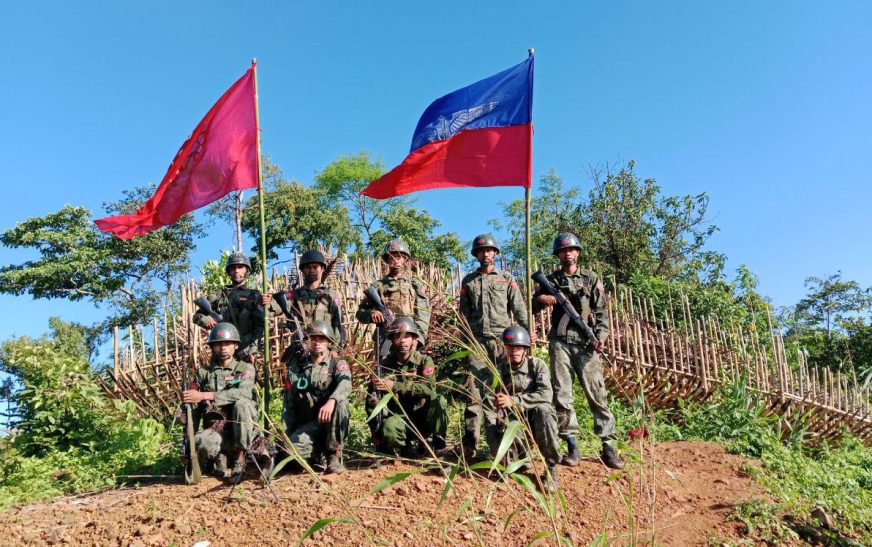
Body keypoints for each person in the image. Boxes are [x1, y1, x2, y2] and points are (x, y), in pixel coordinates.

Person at [533, 232, 623, 470]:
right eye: (563, 250)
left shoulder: (591, 279)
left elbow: (602, 313)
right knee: (562, 395)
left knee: (597, 394)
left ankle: (608, 447)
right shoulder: (551, 279)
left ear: (578, 252)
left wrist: (600, 337)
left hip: (585, 343)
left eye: (571, 249)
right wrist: (542, 299)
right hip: (560, 342)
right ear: (559, 255)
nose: (568, 253)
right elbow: (531, 305)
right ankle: (571, 445)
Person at [459, 233, 529, 458]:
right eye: (481, 251)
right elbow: (464, 315)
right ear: (476, 255)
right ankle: (470, 444)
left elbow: (519, 309)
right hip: (477, 342)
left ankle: (502, 444)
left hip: (502, 343)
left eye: (489, 250)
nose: (485, 254)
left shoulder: (506, 279)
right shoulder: (468, 281)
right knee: (474, 393)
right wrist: (464, 342)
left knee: (502, 391)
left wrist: (527, 335)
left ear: (496, 254)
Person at [183, 323, 258, 481]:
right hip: (218, 433)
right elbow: (194, 410)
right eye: (218, 344)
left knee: (242, 404)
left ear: (235, 346)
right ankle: (217, 461)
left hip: (243, 432)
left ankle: (240, 460)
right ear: (212, 347)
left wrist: (205, 395)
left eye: (227, 343)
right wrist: (189, 445)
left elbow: (243, 392)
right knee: (201, 441)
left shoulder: (245, 368)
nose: (223, 347)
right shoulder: (203, 374)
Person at [491, 325, 561, 492]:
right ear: (505, 349)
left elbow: (546, 394)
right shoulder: (500, 369)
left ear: (525, 349)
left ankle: (551, 468)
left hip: (535, 420)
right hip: (513, 421)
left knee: (544, 410)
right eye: (510, 347)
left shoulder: (537, 366)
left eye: (518, 347)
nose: (514, 351)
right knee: (506, 458)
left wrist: (514, 400)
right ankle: (521, 456)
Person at [368, 317, 448, 456]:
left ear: (414, 340)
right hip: (400, 418)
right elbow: (372, 399)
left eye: (407, 336)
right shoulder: (384, 365)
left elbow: (429, 389)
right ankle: (404, 447)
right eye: (398, 336)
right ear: (392, 340)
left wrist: (395, 386)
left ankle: (436, 444)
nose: (403, 340)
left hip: (423, 417)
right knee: (389, 428)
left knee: (439, 400)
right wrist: (374, 430)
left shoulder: (424, 361)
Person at [282, 321, 351, 474]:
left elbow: (346, 384)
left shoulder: (337, 364)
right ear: (307, 342)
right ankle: (316, 456)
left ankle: (333, 455)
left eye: (321, 339)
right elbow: (289, 405)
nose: (317, 343)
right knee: (289, 452)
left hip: (330, 424)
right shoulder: (297, 369)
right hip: (308, 425)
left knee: (342, 404)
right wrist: (286, 435)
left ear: (328, 342)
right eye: (313, 339)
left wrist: (332, 401)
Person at [356, 239, 430, 350]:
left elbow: (423, 316)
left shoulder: (415, 285)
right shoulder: (377, 287)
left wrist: (418, 340)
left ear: (405, 259)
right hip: (385, 338)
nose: (395, 260)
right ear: (387, 261)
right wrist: (372, 313)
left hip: (409, 337)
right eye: (391, 257)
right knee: (385, 367)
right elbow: (360, 314)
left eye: (398, 257)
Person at [263, 249, 346, 348]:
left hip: (324, 349)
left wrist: (335, 349)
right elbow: (273, 308)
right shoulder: (293, 295)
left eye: (315, 267)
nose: (311, 270)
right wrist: (266, 302)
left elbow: (338, 325)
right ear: (302, 270)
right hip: (300, 348)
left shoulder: (330, 296)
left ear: (322, 269)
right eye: (307, 267)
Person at [192, 252, 264, 364]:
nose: (236, 271)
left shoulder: (254, 295)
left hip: (245, 349)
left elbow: (260, 326)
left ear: (246, 270)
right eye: (233, 268)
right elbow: (196, 316)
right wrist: (204, 320)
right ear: (229, 272)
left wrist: (252, 350)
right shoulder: (219, 295)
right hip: (222, 349)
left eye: (240, 267)